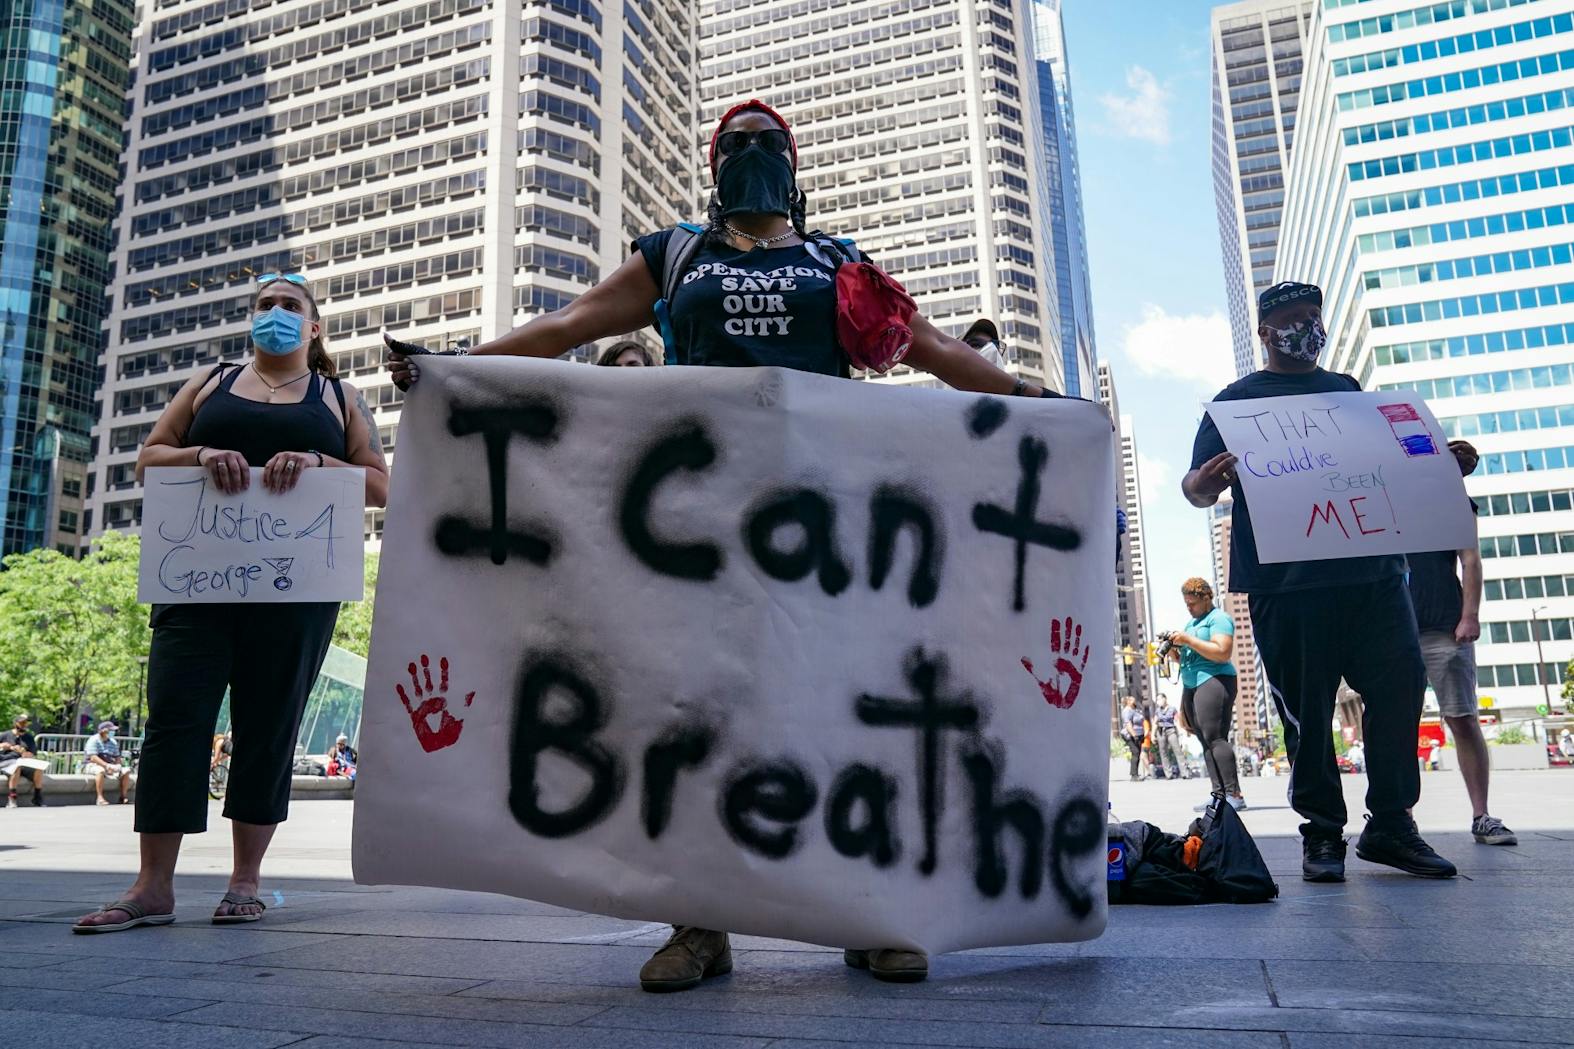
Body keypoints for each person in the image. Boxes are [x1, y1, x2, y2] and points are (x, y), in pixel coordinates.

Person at [389, 99, 1065, 992]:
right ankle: (700, 921)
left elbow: (931, 349)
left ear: (793, 162)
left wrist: (1027, 394)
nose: (752, 152)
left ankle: (869, 914)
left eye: (767, 142)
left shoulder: (838, 260)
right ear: (714, 166)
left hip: (827, 521)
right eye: (735, 142)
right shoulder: (674, 252)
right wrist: (456, 366)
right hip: (699, 525)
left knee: (842, 704)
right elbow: (569, 328)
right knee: (701, 709)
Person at [74, 271, 390, 934]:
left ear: (314, 327)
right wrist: (201, 453)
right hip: (195, 584)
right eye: (265, 305)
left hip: (295, 593)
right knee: (175, 721)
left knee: (269, 726)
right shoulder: (211, 381)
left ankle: (245, 880)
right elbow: (148, 458)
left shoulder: (339, 397)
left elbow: (381, 486)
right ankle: (152, 886)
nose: (275, 313)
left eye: (290, 306)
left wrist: (315, 463)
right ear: (251, 319)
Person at [1183, 280, 1455, 883]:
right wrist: (1208, 481)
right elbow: (1195, 489)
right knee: (1305, 712)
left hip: (1374, 576)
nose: (1307, 326)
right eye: (1293, 318)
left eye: (1314, 316)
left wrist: (1441, 460)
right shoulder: (1234, 404)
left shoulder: (1349, 394)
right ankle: (1323, 835)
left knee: (1400, 690)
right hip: (1288, 584)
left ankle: (1391, 824)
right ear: (1265, 331)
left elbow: (1393, 464)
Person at [1407, 439, 1515, 845]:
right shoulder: (1383, 498)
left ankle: (1481, 814)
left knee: (1463, 718)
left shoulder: (1453, 502)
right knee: (1396, 726)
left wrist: (1470, 615)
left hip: (1444, 624)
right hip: (1395, 628)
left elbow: (1470, 559)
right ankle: (1400, 819)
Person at [1167, 578, 1244, 811]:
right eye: (1186, 604)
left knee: (1216, 737)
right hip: (1192, 684)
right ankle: (1219, 794)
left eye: (1192, 603)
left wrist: (1188, 639)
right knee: (1204, 740)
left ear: (1205, 598)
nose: (1189, 608)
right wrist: (1173, 649)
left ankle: (1234, 794)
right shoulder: (1192, 624)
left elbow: (1222, 652)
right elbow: (1185, 659)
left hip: (1215, 679)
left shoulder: (1218, 619)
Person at [1, 714, 45, 808]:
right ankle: (12, 798)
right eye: (22, 723)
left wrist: (24, 752)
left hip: (23, 762)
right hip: (6, 762)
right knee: (16, 767)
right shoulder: (5, 735)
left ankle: (37, 797)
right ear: (16, 723)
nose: (24, 725)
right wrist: (1, 746)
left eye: (25, 723)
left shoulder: (29, 737)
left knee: (39, 769)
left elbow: (32, 753)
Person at [84, 721, 131, 806]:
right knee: (100, 771)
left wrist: (117, 765)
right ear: (103, 731)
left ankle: (123, 797)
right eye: (110, 730)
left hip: (110, 765)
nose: (113, 732)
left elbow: (117, 756)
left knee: (126, 771)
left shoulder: (113, 742)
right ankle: (100, 797)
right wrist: (107, 765)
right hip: (93, 764)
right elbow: (93, 757)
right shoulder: (93, 740)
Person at [1152, 695, 1189, 780]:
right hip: (1161, 731)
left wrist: (1181, 733)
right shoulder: (1157, 711)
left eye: (1160, 699)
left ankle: (1185, 773)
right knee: (1163, 752)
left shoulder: (1172, 709)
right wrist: (1153, 735)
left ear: (1165, 699)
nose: (1158, 701)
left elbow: (1177, 721)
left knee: (1178, 750)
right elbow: (1155, 722)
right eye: (1157, 699)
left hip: (1171, 730)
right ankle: (1168, 774)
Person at [1119, 696, 1145, 781]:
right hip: (1130, 735)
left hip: (1139, 734)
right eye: (1132, 699)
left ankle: (1136, 774)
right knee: (1135, 752)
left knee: (1137, 754)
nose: (1135, 700)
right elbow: (1128, 724)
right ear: (1128, 701)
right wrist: (1134, 735)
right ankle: (1133, 775)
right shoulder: (1127, 711)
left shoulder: (1135, 710)